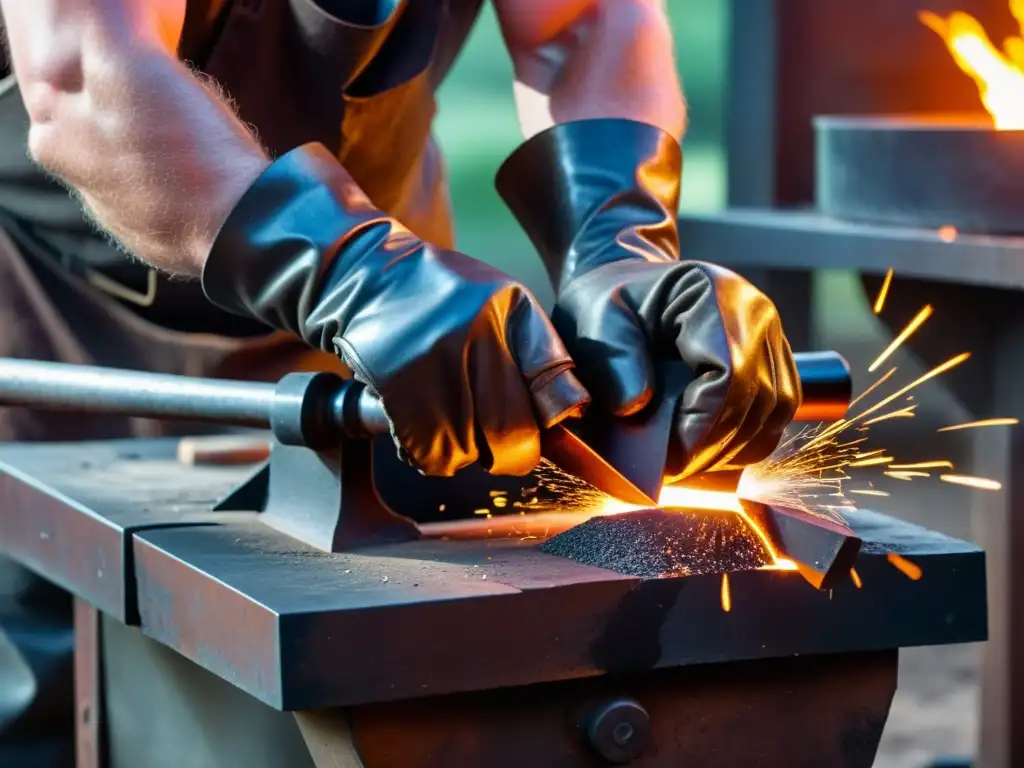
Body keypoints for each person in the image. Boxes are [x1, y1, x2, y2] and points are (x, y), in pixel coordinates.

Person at [0, 0, 802, 763]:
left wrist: (617, 236)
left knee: (407, 674)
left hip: (400, 302)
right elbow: (83, 75)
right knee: (44, 679)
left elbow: (582, 21)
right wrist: (349, 270)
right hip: (54, 306)